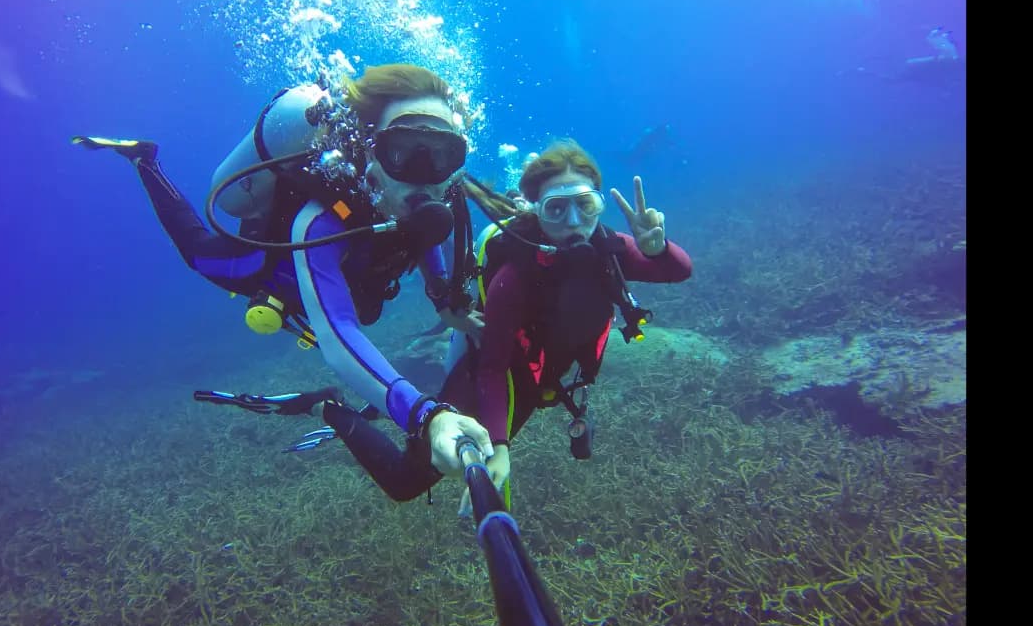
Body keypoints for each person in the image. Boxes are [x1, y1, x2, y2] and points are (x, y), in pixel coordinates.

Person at [74, 63, 491, 475]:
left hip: (358, 274)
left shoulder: (440, 196)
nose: (424, 174)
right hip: (270, 265)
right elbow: (338, 332)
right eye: (402, 150)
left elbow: (422, 237)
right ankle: (146, 162)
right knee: (198, 253)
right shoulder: (319, 222)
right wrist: (424, 415)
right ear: (369, 148)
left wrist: (443, 301)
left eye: (442, 154)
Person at [278, 139, 692, 509]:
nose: (572, 223)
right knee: (406, 481)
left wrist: (656, 248)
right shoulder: (514, 278)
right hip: (491, 379)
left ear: (597, 205)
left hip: (539, 379)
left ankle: (394, 397)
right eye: (555, 208)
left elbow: (679, 270)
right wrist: (498, 445)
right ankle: (331, 407)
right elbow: (493, 368)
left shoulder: (611, 251)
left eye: (584, 205)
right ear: (536, 210)